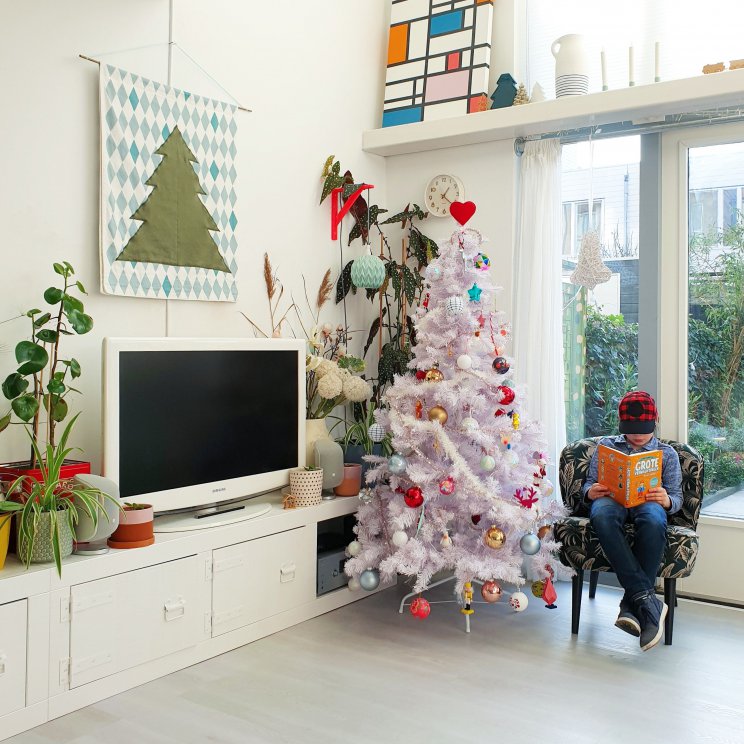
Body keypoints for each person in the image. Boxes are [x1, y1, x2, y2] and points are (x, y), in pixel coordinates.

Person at [583, 390, 682, 652]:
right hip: (611, 499)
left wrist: (667, 499)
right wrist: (590, 491)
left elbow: (677, 497)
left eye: (644, 429)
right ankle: (648, 601)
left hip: (648, 502)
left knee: (652, 518)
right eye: (631, 429)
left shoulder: (667, 454)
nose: (638, 435)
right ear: (620, 423)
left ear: (655, 421)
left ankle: (632, 603)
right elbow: (589, 484)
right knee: (602, 514)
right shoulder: (607, 446)